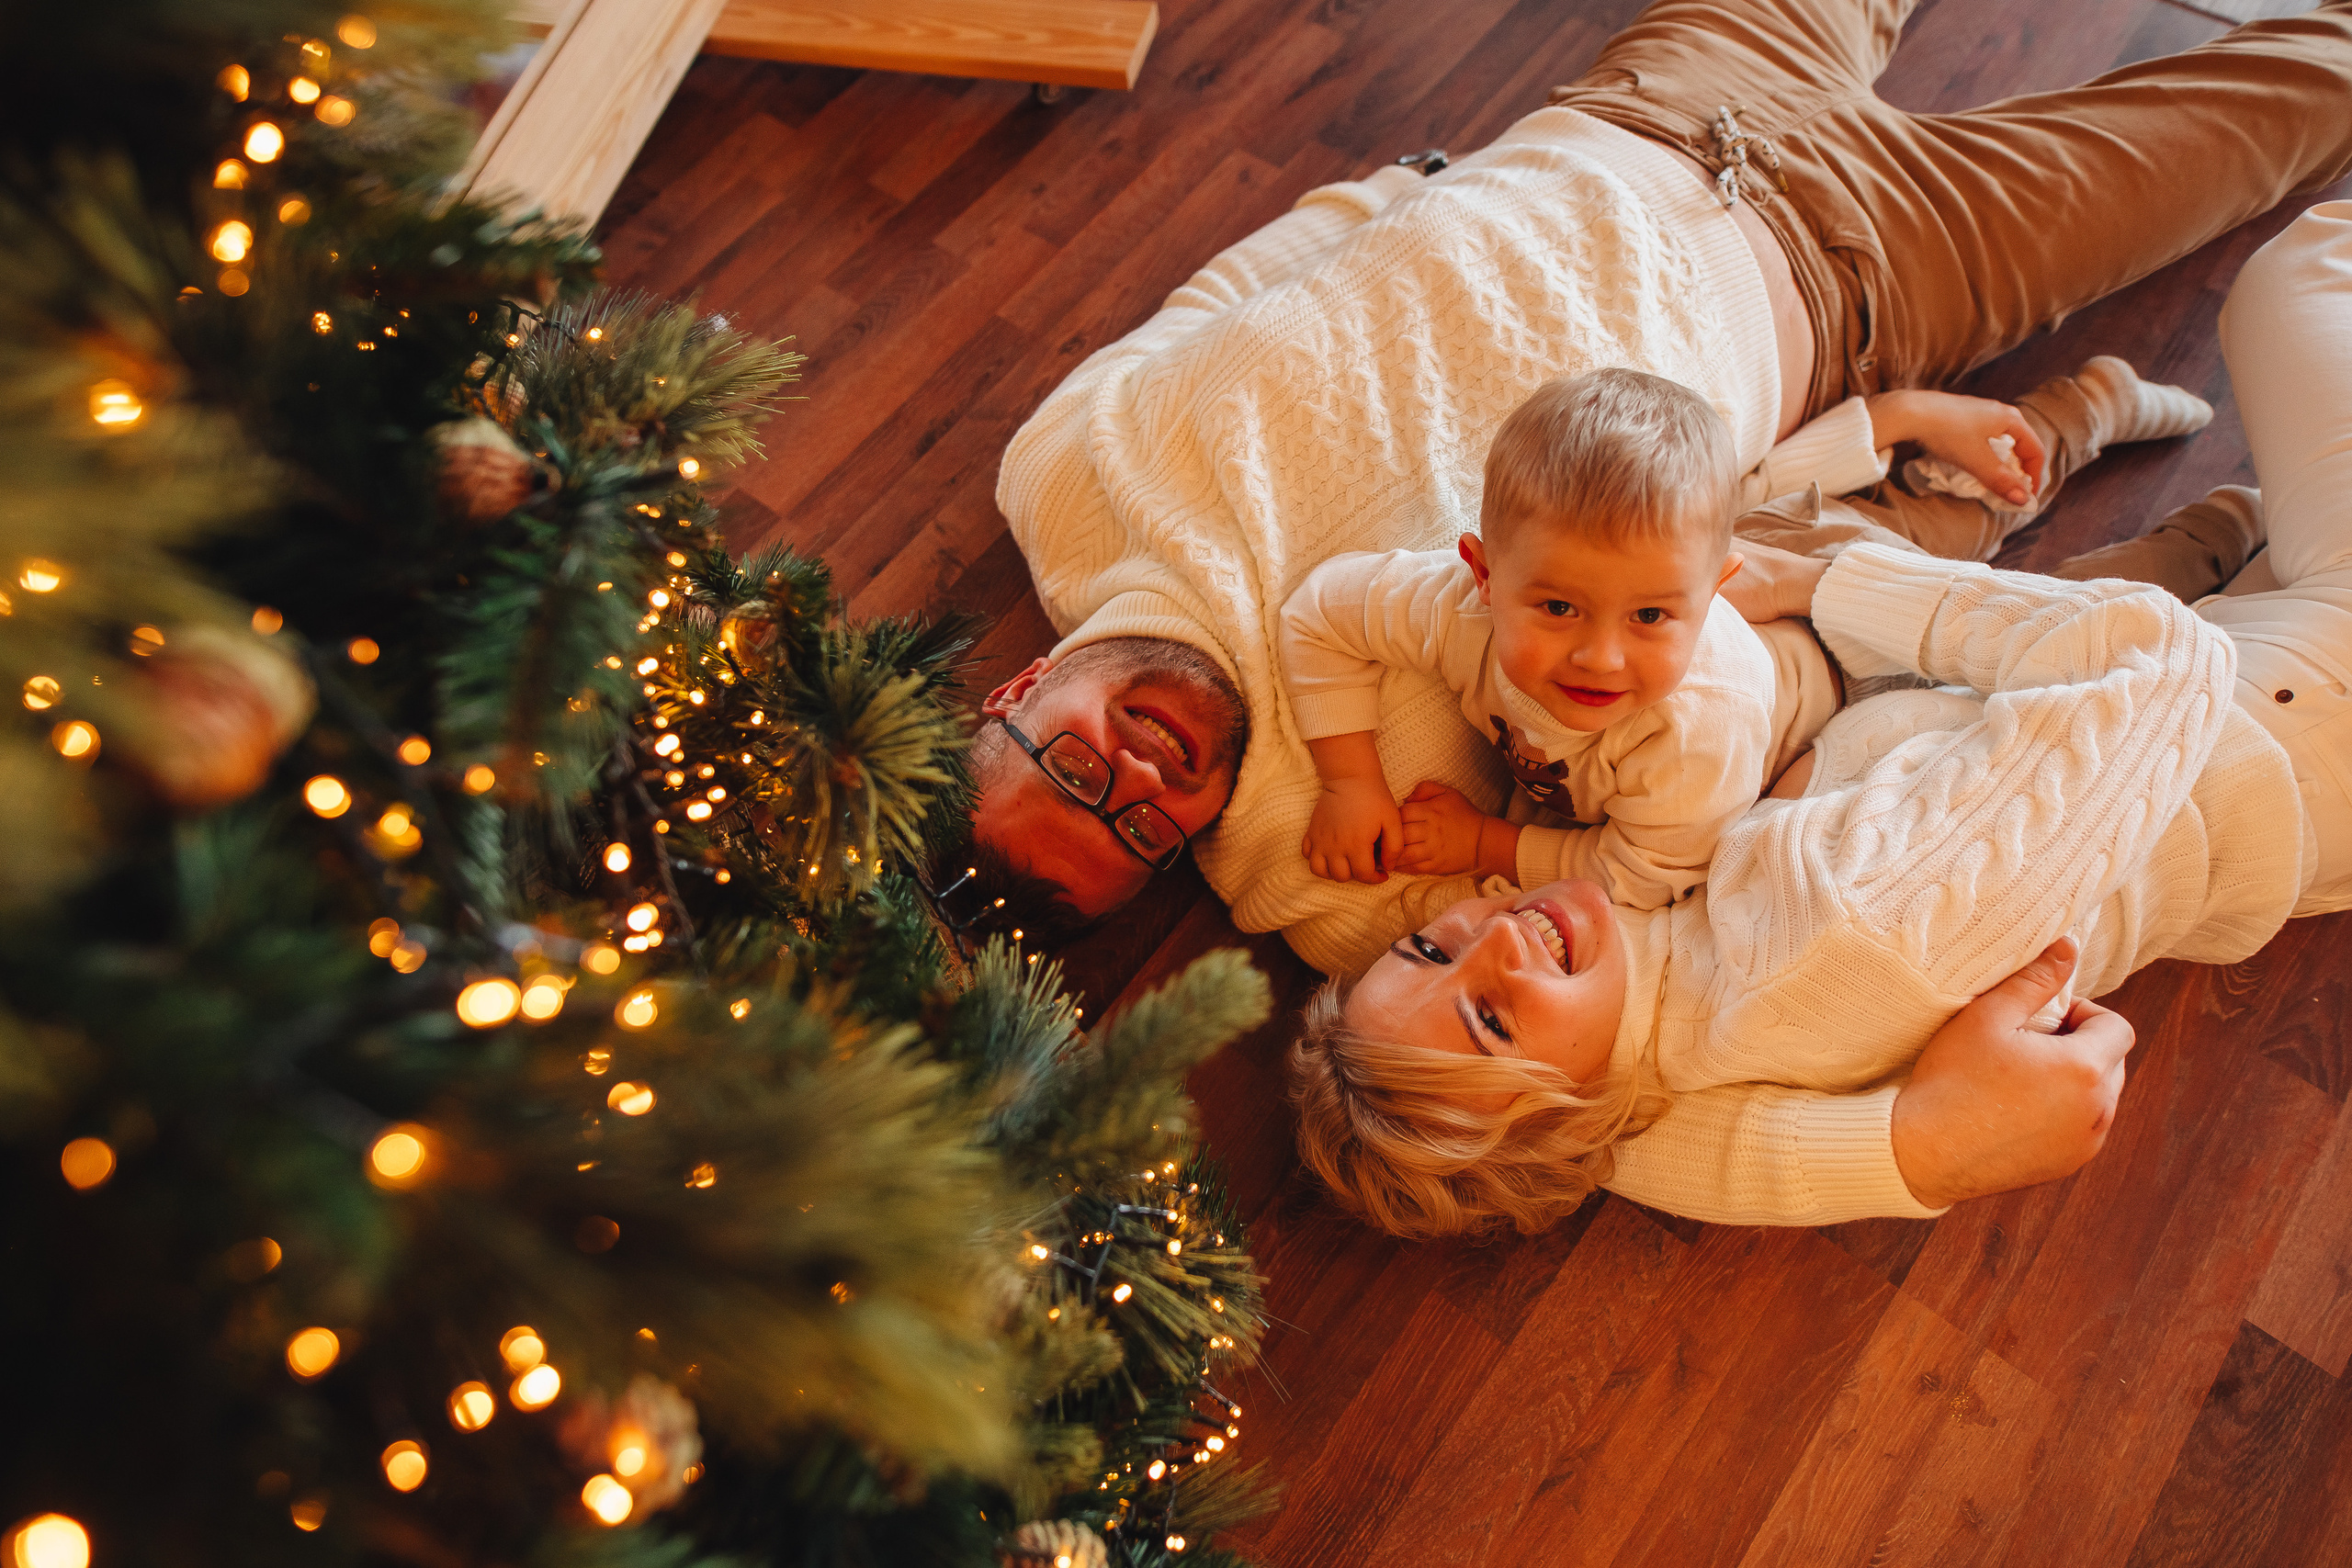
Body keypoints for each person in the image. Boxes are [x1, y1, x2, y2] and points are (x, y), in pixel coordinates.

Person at [978, 1, 2352, 1212]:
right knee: (2311, 100)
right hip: (1858, 282)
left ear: (1014, 693)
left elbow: (1220, 292)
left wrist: (1419, 189)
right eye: (1143, 833)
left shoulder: (1059, 478)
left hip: (1642, 113)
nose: (1143, 780)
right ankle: (2115, 447)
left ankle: (2177, 505)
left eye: (1076, 768)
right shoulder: (1303, 850)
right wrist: (1915, 1146)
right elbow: (1577, 1091)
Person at [1286, 199, 2352, 1232]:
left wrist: (1914, 1147)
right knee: (2303, 262)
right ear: (1562, 1120)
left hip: (2229, 741)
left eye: (1428, 950)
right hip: (2281, 712)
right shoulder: (1833, 926)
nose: (1493, 940)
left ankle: (2257, 528)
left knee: (2266, 509)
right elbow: (2156, 659)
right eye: (1489, 1021)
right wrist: (1827, 584)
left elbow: (1673, 1157)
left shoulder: (1657, 1050)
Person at [1278, 364, 2208, 908]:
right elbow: (1321, 613)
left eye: (1649, 620)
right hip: (1754, 547)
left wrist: (1487, 845)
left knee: (2015, 562)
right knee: (1900, 504)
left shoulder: (1696, 731)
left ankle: (2167, 497)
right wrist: (1349, 780)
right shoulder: (1450, 609)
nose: (1599, 657)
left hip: (1857, 632)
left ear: (1710, 594)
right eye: (1556, 609)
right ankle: (1963, 421)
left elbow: (1644, 875)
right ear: (1482, 576)